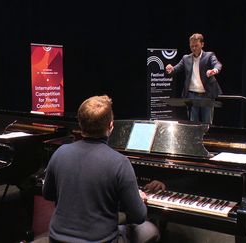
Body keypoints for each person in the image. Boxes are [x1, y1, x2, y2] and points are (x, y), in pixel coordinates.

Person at [42, 95, 160, 243]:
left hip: (57, 240)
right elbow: (138, 216)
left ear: (80, 124)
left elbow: (47, 194)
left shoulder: (60, 153)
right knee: (150, 230)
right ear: (111, 126)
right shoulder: (120, 162)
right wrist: (137, 198)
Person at [166, 33, 223, 124]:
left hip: (206, 95)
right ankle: (194, 138)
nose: (194, 48)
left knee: (207, 123)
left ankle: (206, 138)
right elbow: (176, 69)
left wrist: (214, 70)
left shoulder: (209, 55)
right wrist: (171, 69)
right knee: (193, 123)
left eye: (196, 45)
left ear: (202, 44)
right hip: (191, 95)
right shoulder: (186, 58)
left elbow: (217, 64)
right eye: (191, 46)